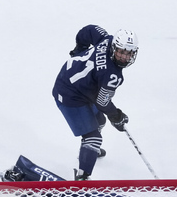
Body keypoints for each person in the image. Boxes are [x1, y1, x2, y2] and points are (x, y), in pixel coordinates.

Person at [52, 25, 138, 181]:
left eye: (128, 53)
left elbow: (89, 30)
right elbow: (102, 102)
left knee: (99, 120)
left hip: (74, 82)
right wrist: (117, 116)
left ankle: (89, 151)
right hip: (69, 95)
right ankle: (82, 178)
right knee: (94, 137)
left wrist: (80, 49)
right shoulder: (112, 75)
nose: (124, 57)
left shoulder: (107, 39)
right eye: (121, 52)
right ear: (114, 48)